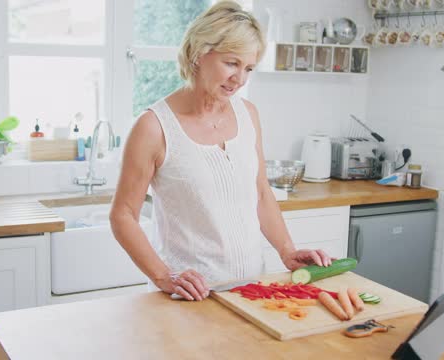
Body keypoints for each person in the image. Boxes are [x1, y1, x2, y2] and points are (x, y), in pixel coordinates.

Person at [110, 1, 334, 302]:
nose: (239, 79)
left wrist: (287, 251)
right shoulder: (153, 127)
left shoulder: (248, 114)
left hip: (252, 291)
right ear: (199, 53)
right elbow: (123, 215)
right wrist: (163, 275)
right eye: (231, 63)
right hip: (188, 297)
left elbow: (261, 192)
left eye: (248, 68)